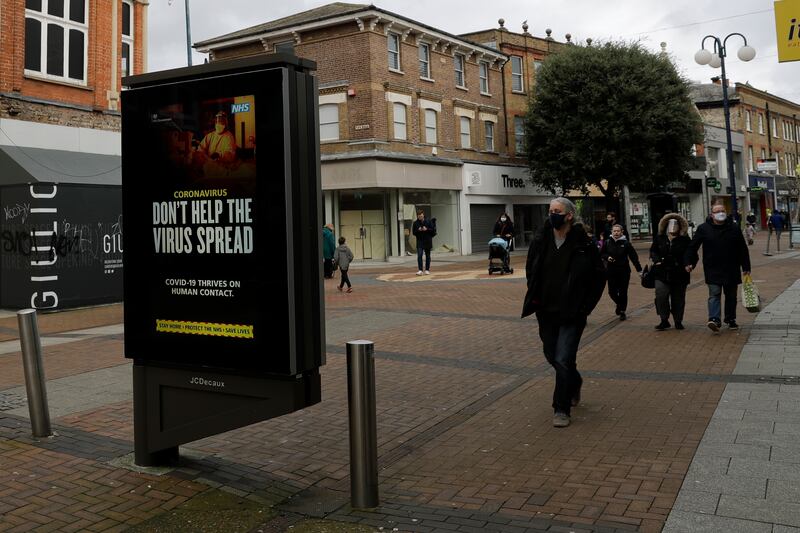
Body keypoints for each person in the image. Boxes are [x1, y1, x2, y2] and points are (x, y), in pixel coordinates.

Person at [521, 197, 606, 428]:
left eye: (557, 211)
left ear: (569, 215)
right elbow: (531, 269)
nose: (552, 215)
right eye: (550, 210)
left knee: (563, 358)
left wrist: (585, 306)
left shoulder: (584, 243)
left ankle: (561, 408)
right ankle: (574, 382)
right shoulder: (541, 240)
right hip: (545, 310)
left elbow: (599, 276)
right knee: (552, 356)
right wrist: (534, 294)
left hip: (572, 313)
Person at [688, 203, 751, 332]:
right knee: (714, 293)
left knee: (731, 296)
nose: (720, 213)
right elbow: (693, 247)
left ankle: (730, 319)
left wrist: (746, 266)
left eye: (722, 210)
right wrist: (689, 262)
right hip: (712, 268)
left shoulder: (734, 228)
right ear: (712, 215)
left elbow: (742, 248)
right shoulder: (703, 228)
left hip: (731, 267)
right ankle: (714, 319)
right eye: (717, 211)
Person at [650, 214, 693, 330]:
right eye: (670, 224)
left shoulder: (685, 240)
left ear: (680, 227)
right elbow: (653, 250)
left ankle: (678, 320)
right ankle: (664, 319)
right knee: (661, 295)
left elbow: (691, 253)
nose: (673, 227)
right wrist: (656, 260)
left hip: (679, 273)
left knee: (678, 298)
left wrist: (689, 264)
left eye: (675, 225)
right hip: (662, 272)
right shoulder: (660, 238)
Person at [602, 223, 642, 321]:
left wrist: (639, 270)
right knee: (612, 292)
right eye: (614, 231)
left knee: (623, 292)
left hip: (624, 271)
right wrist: (608, 257)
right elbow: (602, 253)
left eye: (618, 231)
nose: (616, 233)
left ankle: (622, 311)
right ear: (611, 232)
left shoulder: (626, 243)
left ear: (622, 232)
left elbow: (634, 257)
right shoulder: (607, 242)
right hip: (611, 271)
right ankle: (620, 305)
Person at [412, 210, 434, 275]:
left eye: (421, 216)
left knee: (428, 255)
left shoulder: (428, 221)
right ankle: (420, 270)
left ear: (423, 215)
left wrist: (426, 229)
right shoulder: (415, 223)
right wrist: (418, 230)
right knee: (419, 255)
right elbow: (414, 233)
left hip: (427, 240)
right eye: (419, 216)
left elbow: (432, 230)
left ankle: (427, 269)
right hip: (420, 241)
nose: (420, 217)